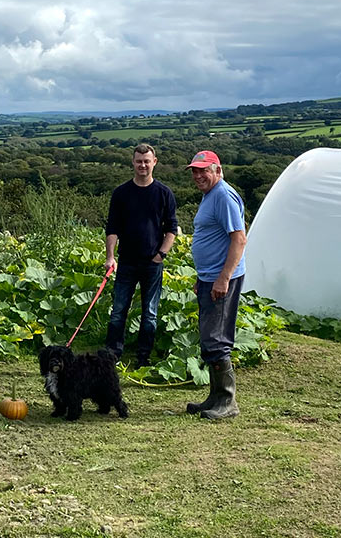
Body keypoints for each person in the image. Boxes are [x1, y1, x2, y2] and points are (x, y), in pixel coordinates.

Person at [104, 143, 178, 367]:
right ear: (133, 163)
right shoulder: (121, 193)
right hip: (126, 261)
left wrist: (161, 254)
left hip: (152, 264)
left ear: (154, 162)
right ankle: (112, 355)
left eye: (147, 161)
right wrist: (110, 257)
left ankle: (143, 357)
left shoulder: (164, 194)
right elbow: (112, 227)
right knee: (118, 310)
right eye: (139, 161)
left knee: (150, 314)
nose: (142, 165)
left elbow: (172, 228)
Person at [185, 150, 246, 421]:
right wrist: (204, 279)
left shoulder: (223, 195)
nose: (198, 175)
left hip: (222, 279)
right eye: (195, 171)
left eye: (204, 170)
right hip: (210, 278)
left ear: (218, 170)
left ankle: (227, 401)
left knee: (217, 339)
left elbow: (239, 239)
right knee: (210, 337)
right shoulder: (211, 195)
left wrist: (223, 278)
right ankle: (215, 396)